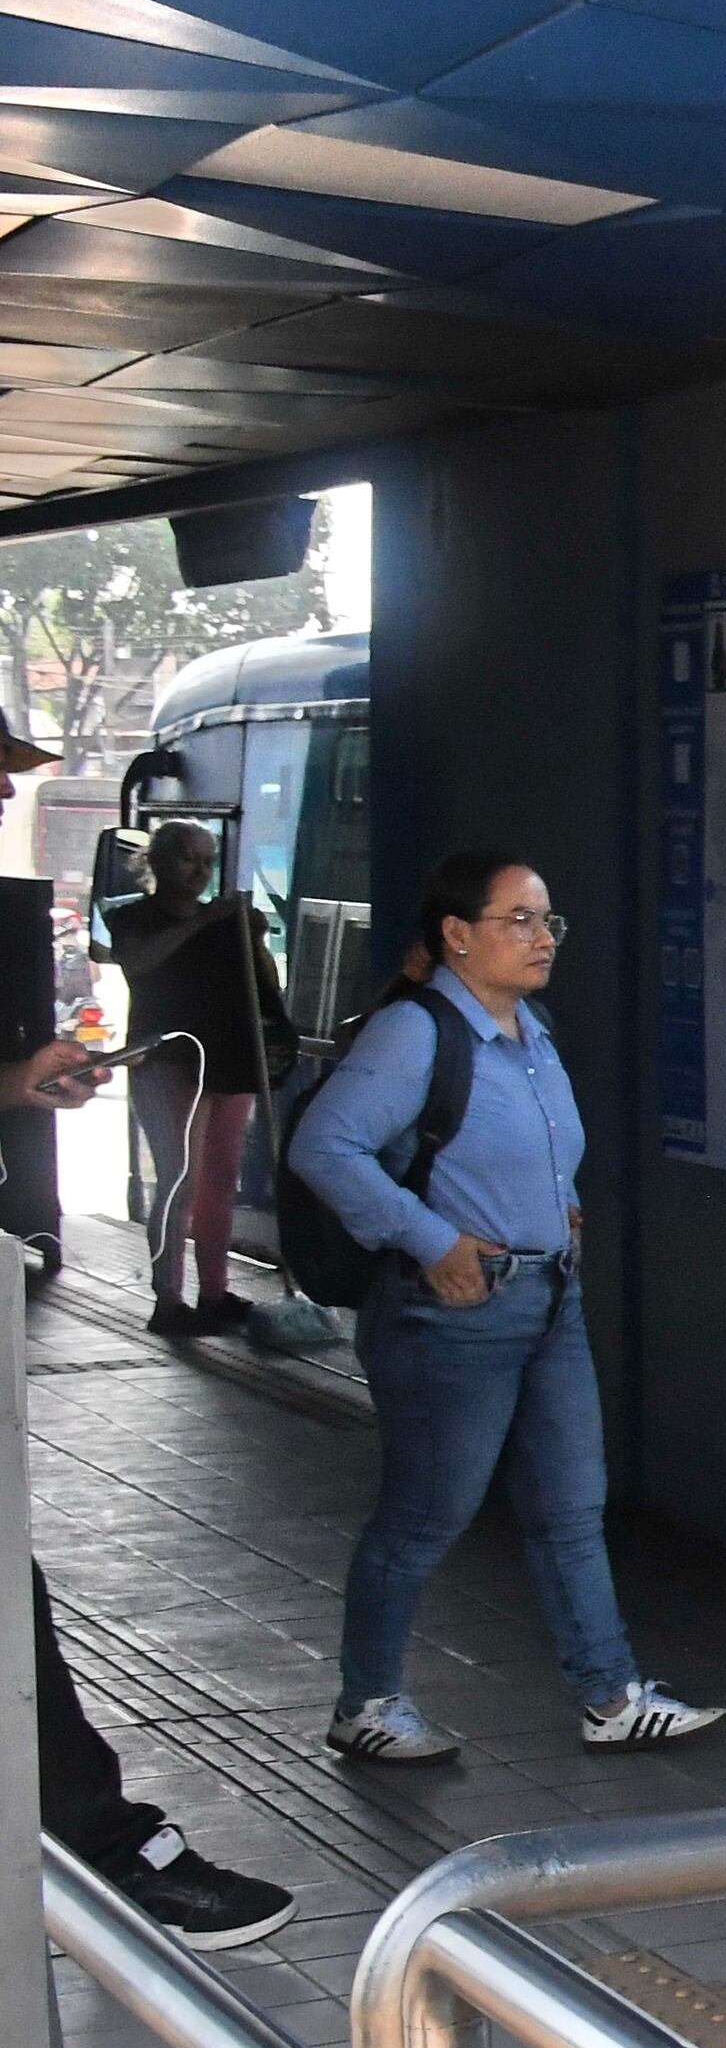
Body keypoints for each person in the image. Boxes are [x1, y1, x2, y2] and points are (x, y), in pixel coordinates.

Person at [292, 848, 722, 1761]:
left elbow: (533, 1149)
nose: (541, 938)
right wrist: (431, 1239)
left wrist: (555, 1208)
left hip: (547, 1299)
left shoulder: (531, 1030)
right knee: (423, 1516)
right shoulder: (416, 1034)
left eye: (548, 920)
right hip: (450, 1312)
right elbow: (325, 1146)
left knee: (571, 1506)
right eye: (517, 920)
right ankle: (365, 1702)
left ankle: (611, 1694)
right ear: (456, 935)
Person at [0, 722, 292, 1938]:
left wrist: (17, 1083)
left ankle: (103, 1838)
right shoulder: (139, 913)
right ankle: (107, 1846)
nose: (3, 786)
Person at [105, 816, 298, 1336]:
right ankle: (167, 1299)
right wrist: (203, 922)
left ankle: (213, 1292)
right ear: (158, 861)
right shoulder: (133, 917)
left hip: (229, 1060)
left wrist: (252, 936)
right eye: (189, 857)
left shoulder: (225, 921)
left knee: (220, 1177)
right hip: (169, 1062)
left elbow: (266, 986)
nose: (200, 870)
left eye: (207, 860)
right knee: (178, 1179)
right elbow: (139, 962)